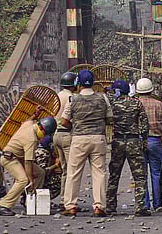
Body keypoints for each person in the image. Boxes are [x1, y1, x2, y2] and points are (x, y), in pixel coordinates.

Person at [61, 69, 113, 217]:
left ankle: (71, 205)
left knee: (74, 172)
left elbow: (64, 121)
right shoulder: (103, 98)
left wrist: (76, 126)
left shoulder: (73, 100)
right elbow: (110, 119)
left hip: (79, 139)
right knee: (99, 173)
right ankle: (99, 206)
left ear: (79, 84)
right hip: (98, 138)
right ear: (93, 83)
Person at [0, 107, 57, 216]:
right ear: (43, 131)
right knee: (23, 180)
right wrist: (31, 181)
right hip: (9, 159)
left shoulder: (30, 125)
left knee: (40, 173)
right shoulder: (32, 139)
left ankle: (30, 201)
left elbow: (28, 120)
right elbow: (28, 163)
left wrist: (36, 114)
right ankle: (4, 205)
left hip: (17, 158)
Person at [105, 80, 151, 216]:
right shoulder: (136, 103)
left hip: (117, 141)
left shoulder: (112, 104)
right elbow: (144, 124)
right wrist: (144, 140)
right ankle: (140, 207)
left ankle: (110, 206)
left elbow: (107, 120)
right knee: (139, 176)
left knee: (114, 175)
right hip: (134, 141)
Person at [136, 78, 162, 212]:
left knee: (142, 174)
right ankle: (158, 204)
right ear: (151, 90)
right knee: (156, 173)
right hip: (156, 141)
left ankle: (145, 204)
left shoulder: (135, 104)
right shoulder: (159, 104)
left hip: (139, 140)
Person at [53, 72, 77, 210]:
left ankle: (63, 199)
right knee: (71, 170)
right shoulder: (72, 98)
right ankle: (68, 202)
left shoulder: (56, 96)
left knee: (64, 170)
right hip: (67, 134)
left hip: (56, 135)